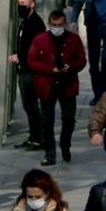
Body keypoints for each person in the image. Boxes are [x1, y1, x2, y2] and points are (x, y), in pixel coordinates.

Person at [28, 11, 87, 166]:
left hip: (68, 84)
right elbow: (32, 61)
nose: (57, 28)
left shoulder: (73, 39)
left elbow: (81, 59)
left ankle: (65, 144)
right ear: (49, 24)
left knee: (69, 119)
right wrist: (50, 69)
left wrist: (71, 66)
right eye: (54, 25)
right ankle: (50, 154)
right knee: (47, 121)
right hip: (47, 85)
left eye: (60, 25)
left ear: (65, 24)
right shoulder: (40, 40)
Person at [10, 0, 46, 150]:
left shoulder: (35, 23)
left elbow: (37, 48)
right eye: (19, 3)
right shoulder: (25, 22)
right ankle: (34, 136)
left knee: (31, 105)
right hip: (24, 69)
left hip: (31, 71)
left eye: (23, 3)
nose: (20, 6)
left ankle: (38, 138)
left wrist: (20, 56)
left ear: (32, 4)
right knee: (28, 105)